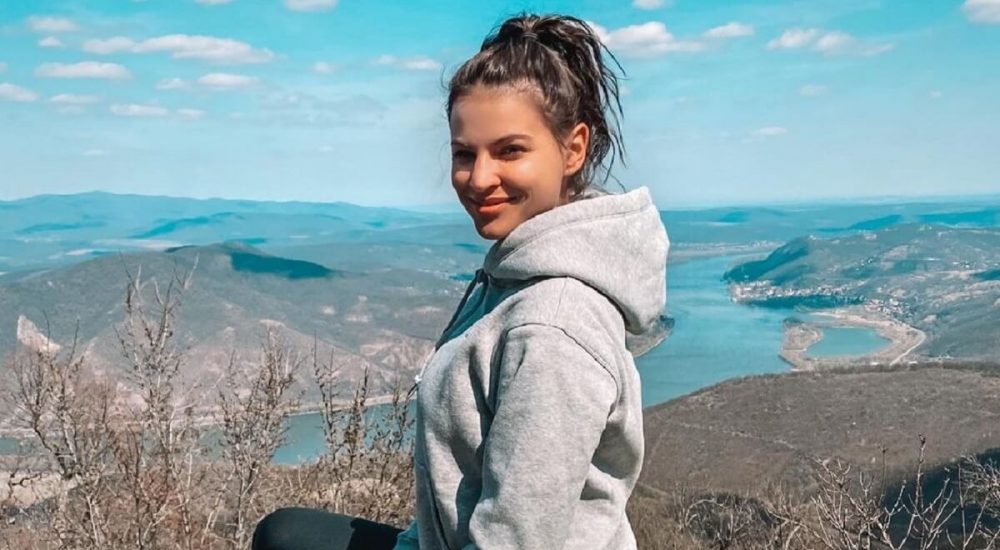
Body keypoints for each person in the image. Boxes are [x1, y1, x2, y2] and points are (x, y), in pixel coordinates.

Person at [253, 11, 668, 550]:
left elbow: (514, 540)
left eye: (510, 150)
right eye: (464, 154)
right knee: (285, 534)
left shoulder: (553, 327)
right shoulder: (515, 277)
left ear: (573, 149)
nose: (479, 178)